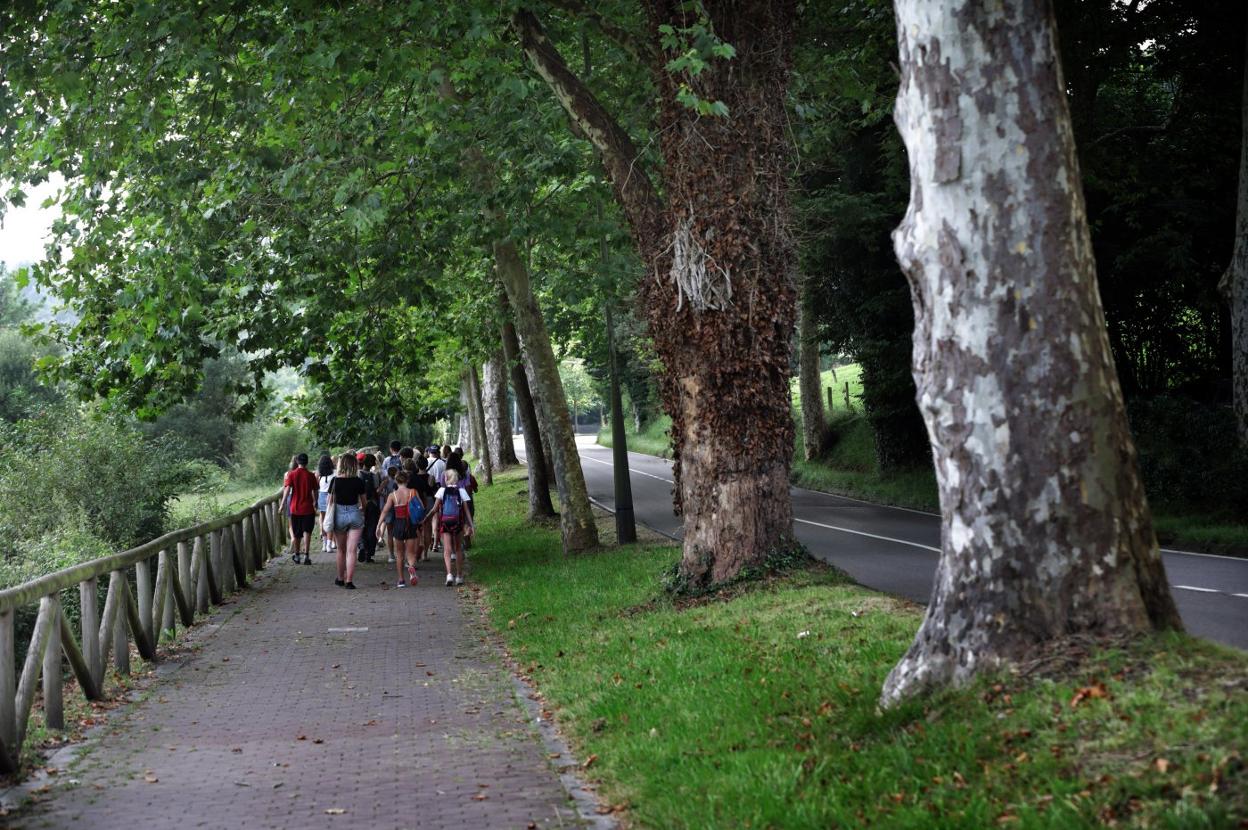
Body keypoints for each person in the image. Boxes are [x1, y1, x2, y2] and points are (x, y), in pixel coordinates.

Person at [423, 467, 473, 587]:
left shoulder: (441, 491)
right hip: (458, 522)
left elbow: (435, 509)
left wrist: (426, 519)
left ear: (446, 478)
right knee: (458, 549)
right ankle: (459, 576)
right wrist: (471, 525)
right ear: (456, 479)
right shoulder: (461, 491)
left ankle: (449, 574)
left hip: (446, 522)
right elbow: (466, 510)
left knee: (447, 550)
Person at [327, 453, 367, 589]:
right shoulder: (358, 481)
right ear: (354, 465)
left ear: (341, 464)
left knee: (341, 550)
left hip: (338, 515)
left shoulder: (335, 481)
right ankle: (349, 581)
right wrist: (360, 510)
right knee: (352, 550)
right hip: (355, 513)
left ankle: (340, 578)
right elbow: (364, 503)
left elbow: (329, 502)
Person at [377, 470, 422, 588]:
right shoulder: (413, 492)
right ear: (407, 480)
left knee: (399, 554)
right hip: (411, 524)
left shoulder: (393, 495)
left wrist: (379, 525)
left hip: (399, 524)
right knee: (411, 553)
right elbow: (421, 507)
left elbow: (385, 511)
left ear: (396, 481)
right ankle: (411, 568)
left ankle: (401, 580)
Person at [282, 453, 318, 564]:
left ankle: (297, 556)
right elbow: (315, 490)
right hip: (308, 508)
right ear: (307, 462)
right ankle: (306, 556)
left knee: (297, 533)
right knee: (307, 532)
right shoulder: (311, 475)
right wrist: (315, 502)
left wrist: (282, 504)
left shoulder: (291, 474)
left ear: (297, 462)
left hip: (295, 508)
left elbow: (287, 490)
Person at [358, 452, 380, 563]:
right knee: (371, 528)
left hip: (360, 505)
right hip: (372, 504)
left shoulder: (358, 474)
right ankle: (369, 554)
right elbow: (377, 491)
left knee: (361, 527)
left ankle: (362, 546)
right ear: (373, 464)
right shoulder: (374, 475)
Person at [316, 454, 336, 554]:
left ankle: (324, 544)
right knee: (330, 521)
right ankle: (329, 544)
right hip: (332, 498)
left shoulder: (319, 476)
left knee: (323, 521)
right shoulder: (334, 474)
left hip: (321, 497)